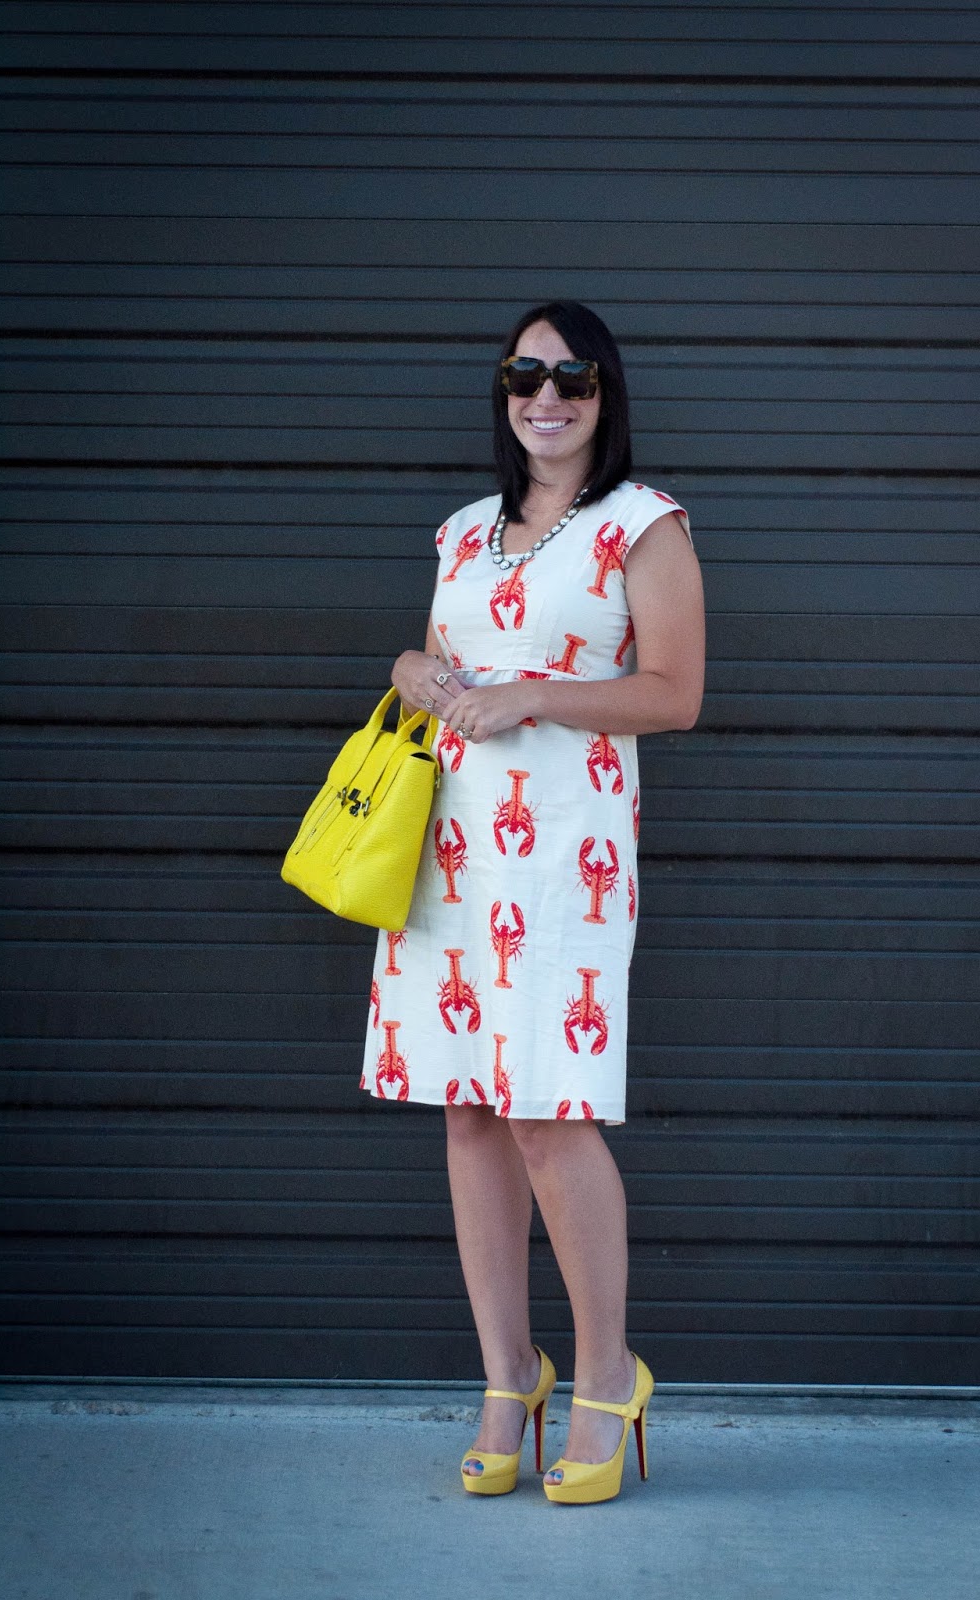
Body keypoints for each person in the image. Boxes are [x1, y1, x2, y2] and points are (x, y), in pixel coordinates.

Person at [360, 300, 705, 1504]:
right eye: (523, 374)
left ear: (605, 396)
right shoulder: (463, 531)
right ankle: (510, 1374)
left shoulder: (639, 526)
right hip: (451, 856)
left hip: (564, 859)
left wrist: (535, 698)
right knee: (465, 1111)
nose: (543, 395)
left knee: (548, 1113)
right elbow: (434, 661)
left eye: (571, 377)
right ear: (503, 392)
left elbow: (674, 693)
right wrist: (415, 671)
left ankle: (609, 1376)